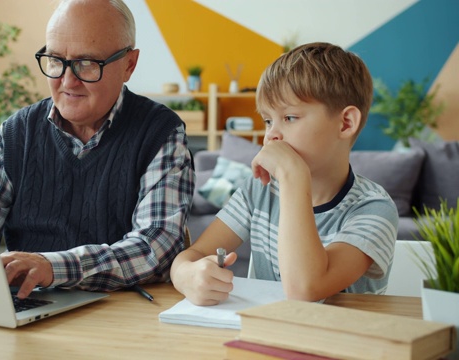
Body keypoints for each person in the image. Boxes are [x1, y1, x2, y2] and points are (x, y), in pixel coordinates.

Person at [0, 0, 195, 299]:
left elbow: (155, 246)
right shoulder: (16, 134)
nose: (67, 81)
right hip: (28, 303)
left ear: (129, 64)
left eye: (87, 63)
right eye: (55, 60)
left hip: (122, 314)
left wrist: (52, 267)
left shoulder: (159, 132)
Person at [170, 42, 398, 306]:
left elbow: (305, 289)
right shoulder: (259, 191)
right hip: (269, 336)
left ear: (345, 123)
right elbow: (194, 253)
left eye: (289, 117)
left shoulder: (373, 209)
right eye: (268, 120)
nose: (271, 134)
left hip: (342, 342)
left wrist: (293, 175)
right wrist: (185, 275)